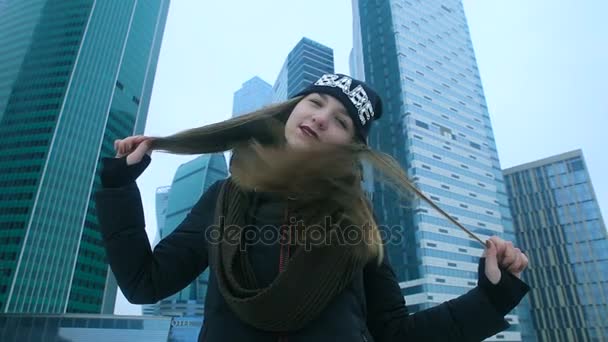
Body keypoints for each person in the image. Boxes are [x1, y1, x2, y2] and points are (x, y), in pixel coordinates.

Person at [95, 73, 530, 342]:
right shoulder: (224, 199)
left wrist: (490, 298)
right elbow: (144, 283)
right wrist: (119, 185)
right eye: (315, 103)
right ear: (292, 111)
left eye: (342, 121)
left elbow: (395, 334)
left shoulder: (360, 224)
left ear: (351, 147)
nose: (321, 118)